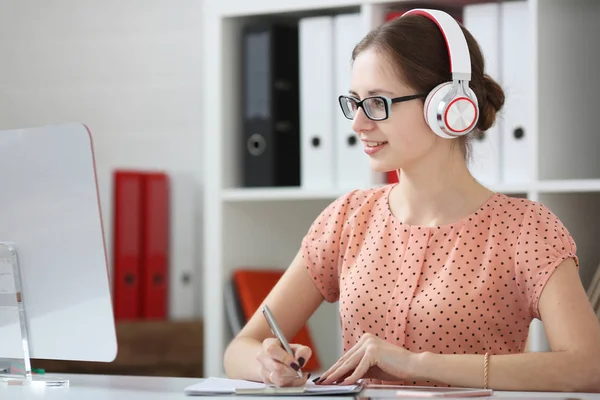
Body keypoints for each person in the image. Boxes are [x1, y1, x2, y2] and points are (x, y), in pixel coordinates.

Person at [223, 8, 600, 392]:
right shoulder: (348, 217)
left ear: (448, 106)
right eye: (355, 102)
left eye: (377, 102)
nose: (358, 124)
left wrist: (416, 364)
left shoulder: (526, 230)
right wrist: (268, 364)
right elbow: (240, 347)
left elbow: (589, 367)